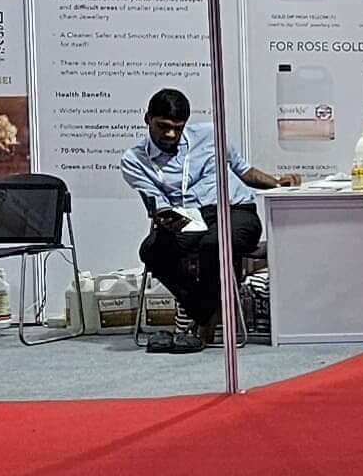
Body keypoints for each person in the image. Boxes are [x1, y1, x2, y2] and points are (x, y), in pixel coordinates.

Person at [121, 87, 298, 349]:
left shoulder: (210, 135)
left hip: (235, 210)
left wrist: (276, 182)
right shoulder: (134, 160)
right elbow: (157, 204)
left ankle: (203, 322)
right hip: (189, 217)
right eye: (163, 126)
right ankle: (204, 313)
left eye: (177, 128)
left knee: (214, 244)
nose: (170, 135)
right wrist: (164, 217)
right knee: (152, 250)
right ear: (147, 119)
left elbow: (243, 170)